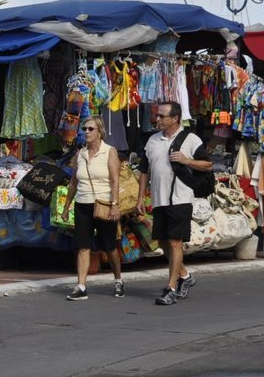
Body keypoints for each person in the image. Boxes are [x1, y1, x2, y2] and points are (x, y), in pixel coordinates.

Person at [138, 101, 208, 306]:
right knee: (162, 243)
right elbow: (144, 170)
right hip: (159, 199)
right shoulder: (152, 141)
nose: (157, 119)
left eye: (162, 116)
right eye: (157, 116)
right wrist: (141, 197)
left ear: (175, 118)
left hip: (181, 198)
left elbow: (207, 164)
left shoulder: (191, 139)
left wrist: (187, 161)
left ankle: (171, 287)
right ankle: (185, 276)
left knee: (176, 242)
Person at [66, 115, 124, 300]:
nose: (86, 132)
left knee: (109, 246)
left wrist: (115, 205)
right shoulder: (80, 154)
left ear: (100, 132)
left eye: (91, 129)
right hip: (83, 204)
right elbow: (74, 182)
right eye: (85, 129)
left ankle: (118, 280)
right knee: (83, 246)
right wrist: (67, 206)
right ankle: (81, 286)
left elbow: (115, 180)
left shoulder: (109, 151)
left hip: (104, 204)